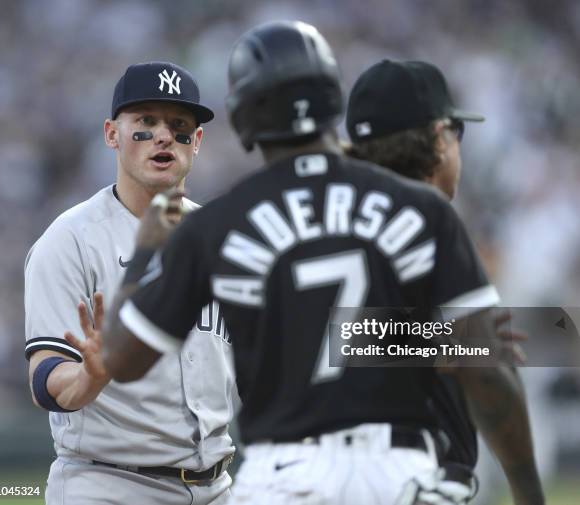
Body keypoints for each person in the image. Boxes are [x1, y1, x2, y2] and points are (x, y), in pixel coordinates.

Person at [102, 21, 543, 505]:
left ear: (244, 116)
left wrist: (146, 251)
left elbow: (121, 360)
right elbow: (486, 370)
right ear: (333, 98)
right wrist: (529, 493)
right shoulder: (421, 208)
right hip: (399, 470)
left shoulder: (216, 225)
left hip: (281, 474)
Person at [24, 61, 236, 505]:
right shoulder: (71, 240)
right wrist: (88, 376)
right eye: (145, 122)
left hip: (219, 489)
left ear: (196, 142)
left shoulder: (223, 238)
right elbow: (45, 377)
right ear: (111, 134)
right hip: (109, 486)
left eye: (179, 126)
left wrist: (410, 340)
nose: (163, 136)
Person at [345, 59, 528, 503]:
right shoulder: (423, 220)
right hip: (404, 472)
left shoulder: (329, 216)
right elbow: (343, 336)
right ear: (438, 139)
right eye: (456, 133)